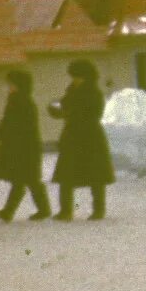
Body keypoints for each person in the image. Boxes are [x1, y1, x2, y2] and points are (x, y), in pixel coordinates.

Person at [49, 59, 113, 221]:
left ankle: (98, 210)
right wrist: (56, 111)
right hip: (72, 137)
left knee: (95, 177)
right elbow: (64, 107)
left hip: (90, 137)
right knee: (66, 176)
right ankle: (66, 211)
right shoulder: (71, 91)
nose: (74, 79)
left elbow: (94, 114)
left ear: (85, 76)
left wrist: (69, 113)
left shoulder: (94, 92)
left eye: (77, 76)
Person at [0, 70, 50, 221]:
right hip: (26, 147)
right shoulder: (21, 100)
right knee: (26, 179)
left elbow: (9, 124)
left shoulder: (19, 101)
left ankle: (11, 212)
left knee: (24, 179)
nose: (9, 87)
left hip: (23, 148)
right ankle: (13, 211)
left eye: (11, 84)